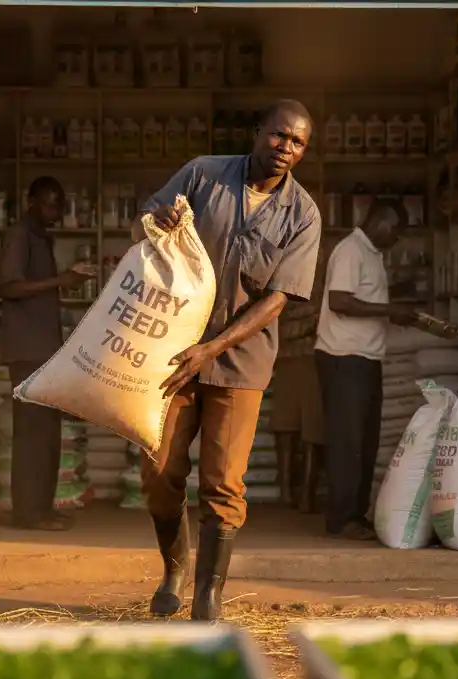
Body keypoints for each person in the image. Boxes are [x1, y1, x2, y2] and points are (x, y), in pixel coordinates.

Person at [133, 100, 321, 621]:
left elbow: (278, 299)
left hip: (240, 362)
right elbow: (143, 225)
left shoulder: (302, 213)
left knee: (223, 483)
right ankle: (175, 568)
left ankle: (208, 595)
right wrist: (156, 219)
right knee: (158, 469)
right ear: (257, 132)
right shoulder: (204, 174)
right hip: (174, 348)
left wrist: (212, 349)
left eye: (298, 142)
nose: (285, 148)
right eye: (279, 136)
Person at [314, 199, 419, 541]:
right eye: (398, 233)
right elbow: (339, 301)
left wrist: (396, 299)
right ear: (384, 223)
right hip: (344, 358)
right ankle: (341, 519)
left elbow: (362, 296)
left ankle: (355, 515)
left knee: (365, 441)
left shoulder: (371, 254)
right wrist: (390, 310)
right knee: (348, 442)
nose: (397, 240)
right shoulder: (350, 251)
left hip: (365, 358)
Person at [0, 176, 96, 531]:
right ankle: (28, 514)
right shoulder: (20, 235)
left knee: (47, 434)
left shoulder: (41, 237)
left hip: (44, 349)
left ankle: (42, 506)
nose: (55, 211)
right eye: (49, 204)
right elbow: (7, 286)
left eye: (59, 205)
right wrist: (61, 281)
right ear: (31, 202)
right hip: (26, 350)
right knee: (30, 434)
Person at [269, 258, 326, 514]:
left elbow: (325, 316)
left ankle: (306, 495)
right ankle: (286, 492)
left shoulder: (323, 283)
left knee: (313, 430)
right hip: (286, 358)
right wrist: (310, 320)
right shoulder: (280, 282)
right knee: (285, 428)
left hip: (314, 359)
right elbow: (273, 320)